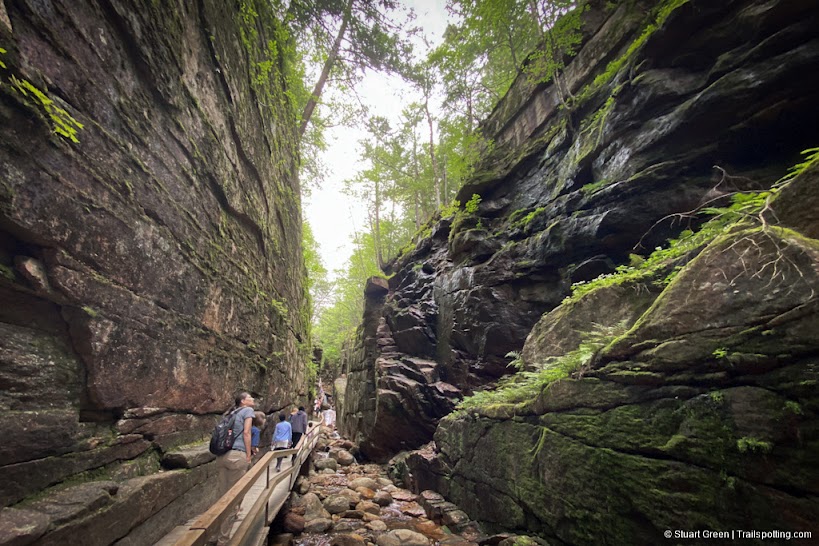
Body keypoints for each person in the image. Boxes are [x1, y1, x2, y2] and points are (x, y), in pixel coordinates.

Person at [216, 392, 255, 546]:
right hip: (237, 456)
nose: (253, 400)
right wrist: (248, 455)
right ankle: (223, 540)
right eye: (250, 398)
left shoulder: (231, 413)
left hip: (222, 456)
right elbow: (246, 433)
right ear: (243, 401)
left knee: (220, 497)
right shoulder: (248, 411)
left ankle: (212, 536)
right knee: (234, 499)